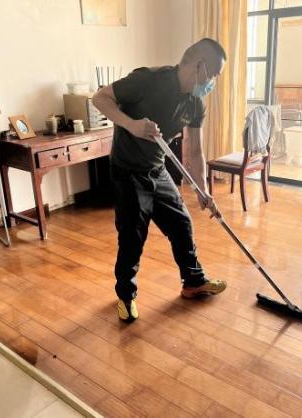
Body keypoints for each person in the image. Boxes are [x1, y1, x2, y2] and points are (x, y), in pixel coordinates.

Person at [92, 38, 228, 323]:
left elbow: (195, 151)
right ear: (199, 66)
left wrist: (203, 190)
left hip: (157, 168)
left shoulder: (195, 103)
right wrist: (131, 124)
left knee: (182, 223)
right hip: (128, 170)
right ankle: (126, 296)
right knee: (132, 236)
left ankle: (193, 282)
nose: (213, 83)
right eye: (214, 75)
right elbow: (100, 98)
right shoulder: (147, 80)